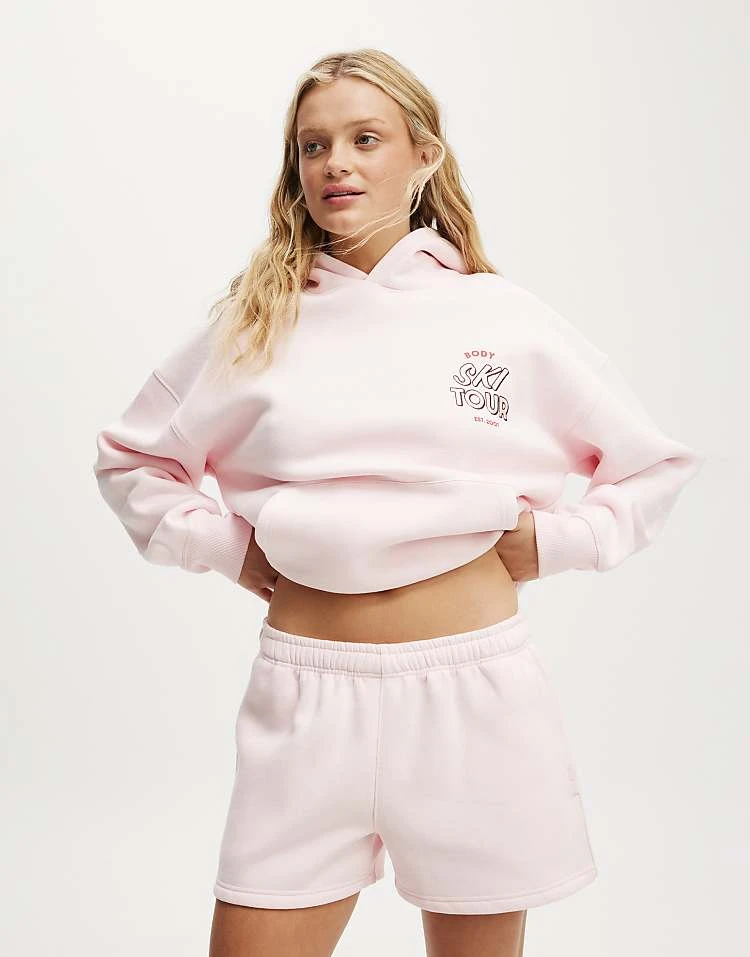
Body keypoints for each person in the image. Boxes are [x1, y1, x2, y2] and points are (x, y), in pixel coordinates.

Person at [92, 48, 706, 957]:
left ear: (425, 155)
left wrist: (559, 541)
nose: (334, 163)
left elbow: (651, 464)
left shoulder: (501, 318)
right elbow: (132, 457)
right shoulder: (258, 323)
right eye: (312, 146)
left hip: (474, 698)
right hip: (306, 700)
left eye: (364, 139)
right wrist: (226, 547)